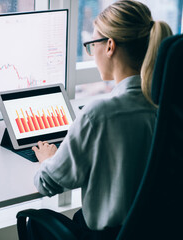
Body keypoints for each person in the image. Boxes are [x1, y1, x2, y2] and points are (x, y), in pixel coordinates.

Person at [31, 0, 172, 239]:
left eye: (91, 44)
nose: (91, 52)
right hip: (159, 231)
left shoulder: (99, 114)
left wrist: (47, 159)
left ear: (109, 46)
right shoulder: (168, 106)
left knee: (32, 221)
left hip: (108, 236)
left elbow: (48, 183)